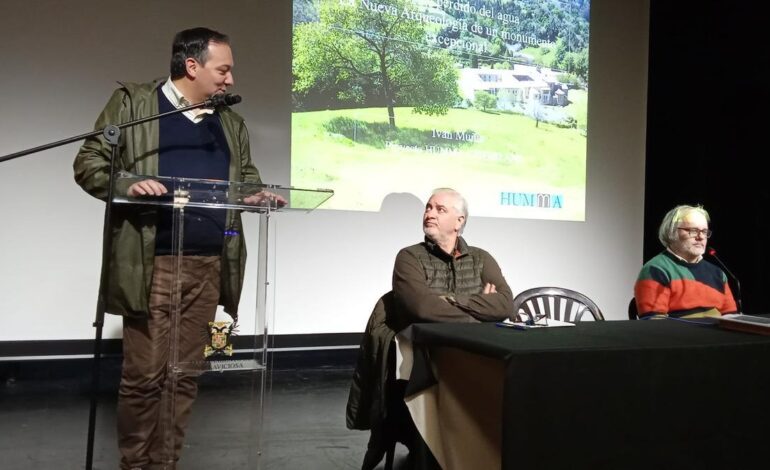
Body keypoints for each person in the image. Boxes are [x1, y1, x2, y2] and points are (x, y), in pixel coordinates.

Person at [73, 27, 261, 469]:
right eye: (224, 69)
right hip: (153, 264)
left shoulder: (230, 122)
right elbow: (89, 163)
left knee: (185, 376)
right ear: (191, 66)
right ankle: (135, 465)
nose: (230, 80)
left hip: (211, 264)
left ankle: (166, 463)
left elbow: (247, 176)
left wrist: (253, 194)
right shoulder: (135, 106)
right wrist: (128, 184)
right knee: (145, 377)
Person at [392, 187, 515, 328]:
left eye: (440, 210)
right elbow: (423, 307)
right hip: (429, 343)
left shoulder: (481, 258)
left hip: (478, 343)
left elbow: (506, 304)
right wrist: (483, 312)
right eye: (428, 208)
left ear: (459, 221)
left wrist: (448, 299)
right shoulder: (409, 256)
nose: (430, 214)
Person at [634, 204, 738, 319]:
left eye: (704, 231)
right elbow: (654, 323)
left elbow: (731, 318)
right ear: (671, 233)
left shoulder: (718, 273)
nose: (700, 237)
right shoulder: (656, 270)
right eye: (693, 230)